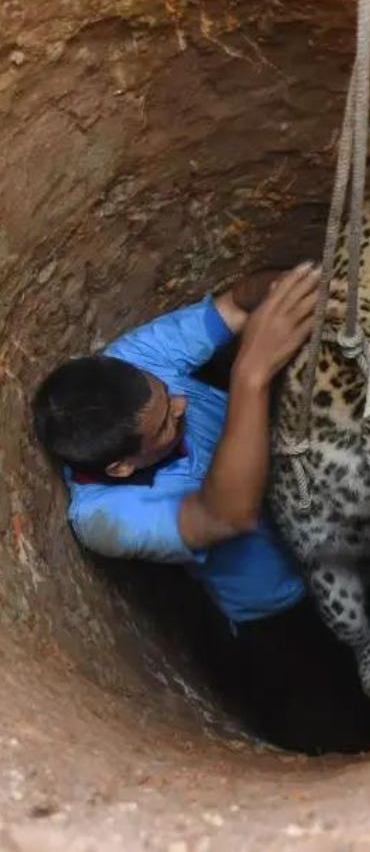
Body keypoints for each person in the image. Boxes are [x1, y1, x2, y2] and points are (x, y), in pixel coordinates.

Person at [32, 263, 324, 626]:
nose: (180, 405)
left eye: (166, 392)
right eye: (165, 423)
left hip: (326, 515)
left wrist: (283, 288)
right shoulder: (103, 518)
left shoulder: (130, 360)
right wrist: (250, 376)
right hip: (285, 590)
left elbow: (234, 305)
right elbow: (226, 516)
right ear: (122, 467)